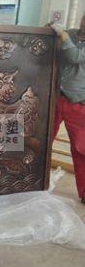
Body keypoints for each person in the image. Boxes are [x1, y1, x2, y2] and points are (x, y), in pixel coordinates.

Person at [50, 14, 85, 202]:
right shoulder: (71, 33)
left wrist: (62, 35)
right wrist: (49, 29)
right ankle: (31, 180)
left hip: (79, 103)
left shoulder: (67, 35)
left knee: (81, 149)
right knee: (42, 140)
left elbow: (74, 57)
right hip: (57, 98)